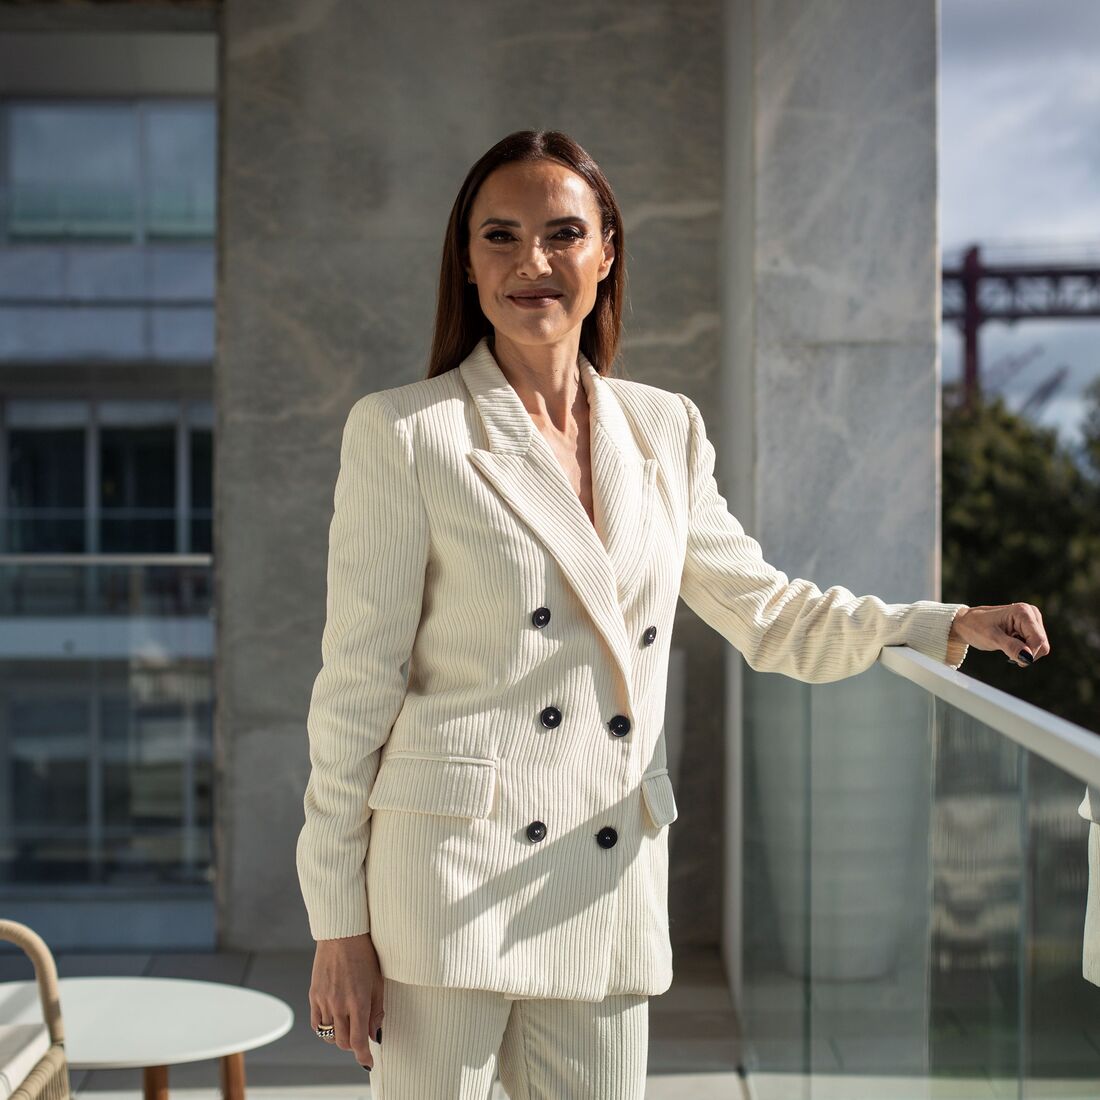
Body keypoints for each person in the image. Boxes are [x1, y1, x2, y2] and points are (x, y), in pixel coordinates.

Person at [295, 129, 1050, 1099]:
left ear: (605, 249)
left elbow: (764, 608)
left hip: (603, 883)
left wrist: (934, 624)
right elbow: (355, 689)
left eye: (561, 232)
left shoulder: (663, 428)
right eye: (500, 236)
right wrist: (335, 920)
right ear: (467, 262)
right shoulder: (405, 432)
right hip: (441, 889)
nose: (532, 263)